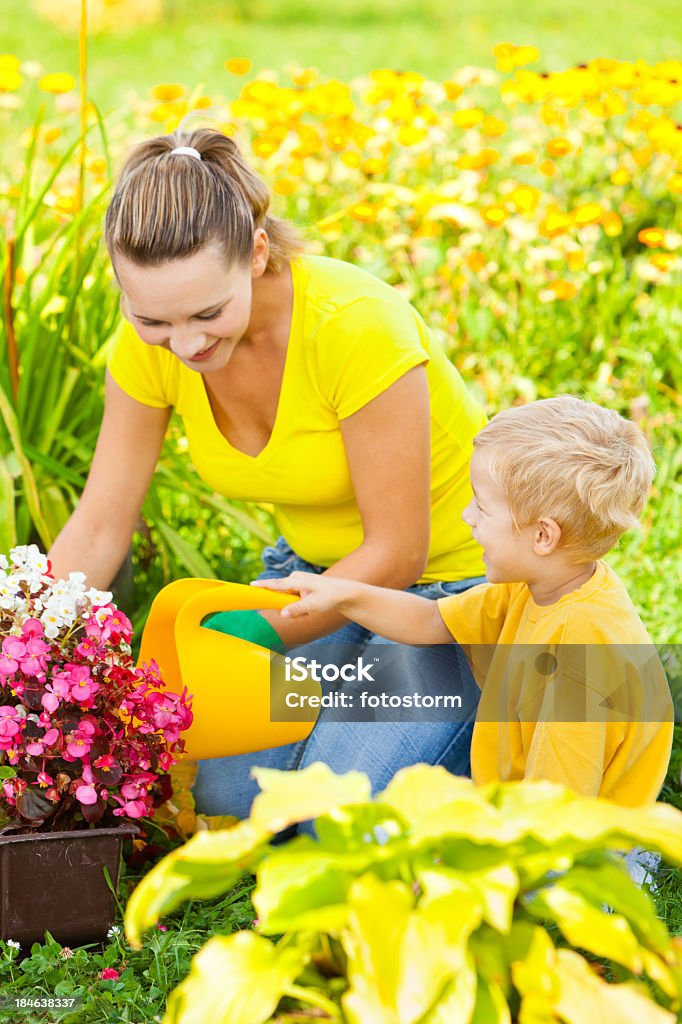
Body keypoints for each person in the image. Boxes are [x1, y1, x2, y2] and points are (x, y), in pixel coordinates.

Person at [47, 127, 488, 821]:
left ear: (256, 252)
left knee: (332, 813)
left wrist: (260, 633)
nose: (186, 344)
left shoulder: (353, 325)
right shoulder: (146, 347)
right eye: (154, 317)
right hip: (315, 582)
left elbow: (400, 551)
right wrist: (33, 642)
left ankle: (508, 718)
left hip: (450, 600)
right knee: (221, 794)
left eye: (208, 312)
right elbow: (101, 524)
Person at [256, 396, 674, 806]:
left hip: (574, 841)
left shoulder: (582, 662)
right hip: (516, 799)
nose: (467, 516)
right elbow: (431, 620)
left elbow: (555, 814)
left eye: (482, 505)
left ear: (543, 536)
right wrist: (344, 594)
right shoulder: (540, 583)